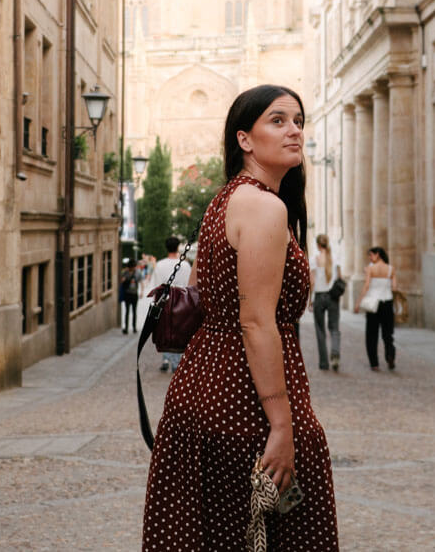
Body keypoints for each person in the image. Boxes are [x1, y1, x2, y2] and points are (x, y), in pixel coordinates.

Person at [143, 85, 338, 550]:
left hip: (202, 388)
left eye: (298, 120)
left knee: (207, 533)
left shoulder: (228, 198)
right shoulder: (263, 206)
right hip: (242, 402)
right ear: (245, 140)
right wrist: (282, 425)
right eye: (278, 120)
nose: (295, 130)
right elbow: (256, 323)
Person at [151, 236, 192, 372]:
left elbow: (157, 286)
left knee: (165, 330)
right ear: (178, 247)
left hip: (164, 302)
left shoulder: (160, 265)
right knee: (179, 331)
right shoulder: (185, 265)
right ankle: (176, 362)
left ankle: (166, 359)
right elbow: (189, 285)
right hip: (182, 302)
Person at [354, 246, 396, 371]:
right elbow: (394, 287)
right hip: (387, 302)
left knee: (372, 334)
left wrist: (358, 303)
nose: (370, 258)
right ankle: (390, 354)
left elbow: (366, 286)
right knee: (387, 333)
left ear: (377, 255)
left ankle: (374, 363)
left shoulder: (370, 269)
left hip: (373, 304)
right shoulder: (391, 269)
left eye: (371, 255)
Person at [309, 234, 341, 372]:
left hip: (319, 296)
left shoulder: (314, 260)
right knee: (334, 328)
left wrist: (310, 300)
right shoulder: (335, 259)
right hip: (333, 296)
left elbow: (312, 281)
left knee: (320, 330)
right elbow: (340, 278)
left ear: (317, 245)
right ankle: (335, 352)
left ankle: (324, 363)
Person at [119, 260, 139, 334]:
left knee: (134, 311)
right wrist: (124, 279)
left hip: (134, 294)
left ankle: (134, 327)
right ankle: (126, 328)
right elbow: (121, 280)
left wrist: (142, 291)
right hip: (127, 294)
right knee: (127, 311)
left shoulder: (137, 273)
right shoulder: (125, 272)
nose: (133, 268)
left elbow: (140, 280)